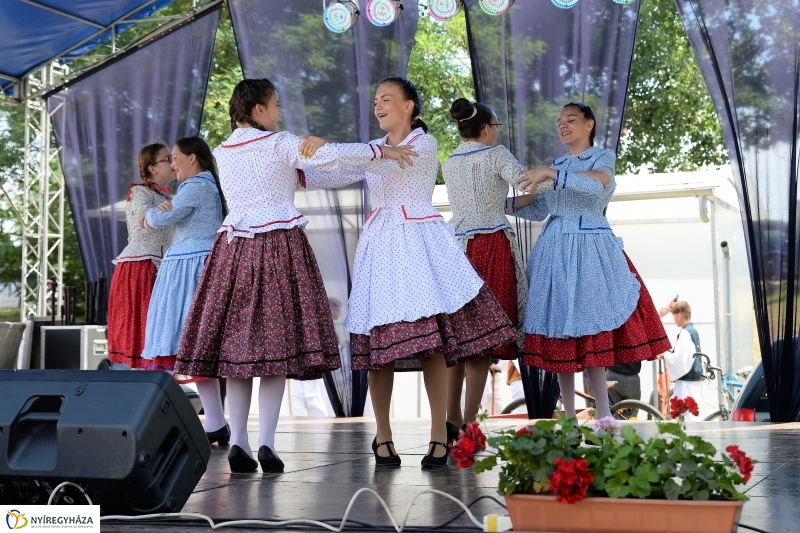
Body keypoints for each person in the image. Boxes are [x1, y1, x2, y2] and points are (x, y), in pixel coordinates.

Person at [173, 78, 416, 473]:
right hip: (276, 246)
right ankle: (266, 442)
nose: (279, 111)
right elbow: (331, 159)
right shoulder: (280, 142)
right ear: (258, 110)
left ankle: (238, 440)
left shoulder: (222, 150)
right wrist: (379, 150)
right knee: (275, 350)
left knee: (238, 354)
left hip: (234, 250)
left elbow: (319, 171)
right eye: (274, 104)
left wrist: (364, 158)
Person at [303, 78, 517, 467]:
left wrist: (331, 149)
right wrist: (303, 169)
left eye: (387, 99)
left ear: (409, 107)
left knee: (431, 345)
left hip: (419, 244)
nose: (378, 105)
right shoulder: (379, 150)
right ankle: (382, 437)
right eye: (376, 100)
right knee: (379, 347)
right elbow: (339, 171)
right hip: (382, 246)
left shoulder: (424, 144)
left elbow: (368, 158)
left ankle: (439, 435)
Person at [508, 102, 672, 422]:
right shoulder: (556, 165)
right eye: (559, 122)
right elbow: (539, 208)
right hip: (554, 251)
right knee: (561, 333)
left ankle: (604, 414)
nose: (563, 125)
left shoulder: (602, 158)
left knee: (593, 325)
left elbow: (596, 183)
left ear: (589, 125)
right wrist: (496, 203)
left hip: (591, 247)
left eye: (571, 119)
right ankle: (569, 417)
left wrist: (552, 174)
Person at [440, 98, 534, 441]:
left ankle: (451, 421)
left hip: (456, 248)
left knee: (459, 341)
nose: (497, 132)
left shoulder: (450, 163)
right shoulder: (495, 154)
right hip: (491, 244)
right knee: (483, 342)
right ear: (485, 128)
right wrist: (556, 178)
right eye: (496, 126)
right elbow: (526, 181)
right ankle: (469, 424)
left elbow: (484, 201)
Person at [138, 136, 229, 447]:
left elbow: (164, 217)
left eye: (175, 157)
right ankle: (215, 421)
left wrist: (149, 216)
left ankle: (165, 423)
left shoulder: (195, 187)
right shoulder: (205, 185)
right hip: (193, 263)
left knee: (186, 340)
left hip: (190, 268)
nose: (173, 163)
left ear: (192, 158)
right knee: (195, 346)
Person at [107, 143, 174, 369]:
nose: (173, 162)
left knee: (159, 331)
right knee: (146, 330)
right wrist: (156, 213)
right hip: (142, 267)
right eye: (167, 159)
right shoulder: (140, 191)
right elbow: (143, 215)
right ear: (152, 168)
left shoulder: (169, 197)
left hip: (160, 267)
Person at [662, 301, 703, 420]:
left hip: (687, 379)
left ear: (679, 315)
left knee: (686, 413)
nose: (674, 319)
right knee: (691, 410)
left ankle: (688, 437)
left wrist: (665, 354)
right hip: (693, 377)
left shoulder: (685, 332)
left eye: (674, 316)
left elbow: (681, 358)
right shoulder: (692, 331)